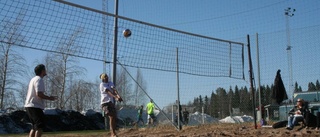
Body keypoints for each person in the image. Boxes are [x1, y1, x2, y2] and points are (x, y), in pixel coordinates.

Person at [24, 64, 57, 137]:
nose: (46, 71)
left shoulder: (33, 79)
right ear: (42, 71)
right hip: (35, 106)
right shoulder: (39, 79)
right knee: (39, 127)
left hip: (29, 105)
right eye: (45, 70)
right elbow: (39, 94)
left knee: (34, 127)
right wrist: (49, 98)